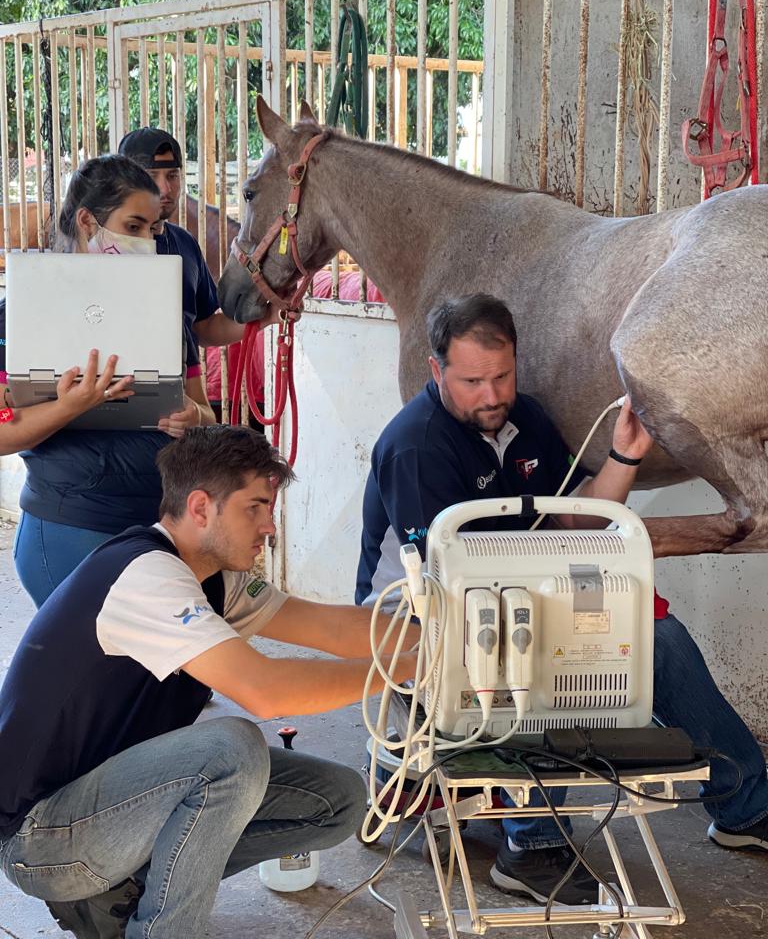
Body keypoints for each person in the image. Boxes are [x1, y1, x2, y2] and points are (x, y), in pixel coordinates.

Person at [357, 293, 768, 904]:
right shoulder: (417, 445)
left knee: (658, 636)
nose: (492, 395)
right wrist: (568, 622)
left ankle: (746, 803)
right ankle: (534, 847)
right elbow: (451, 582)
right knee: (532, 653)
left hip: (529, 583)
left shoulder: (526, 418)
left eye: (502, 376)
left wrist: (626, 454)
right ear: (435, 368)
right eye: (472, 381)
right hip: (422, 611)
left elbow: (579, 523)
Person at [0, 425, 417, 938]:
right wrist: (405, 667)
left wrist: (440, 637)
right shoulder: (146, 576)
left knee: (339, 799)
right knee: (231, 749)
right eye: (255, 508)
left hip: (114, 803)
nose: (270, 527)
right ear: (201, 508)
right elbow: (266, 692)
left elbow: (330, 627)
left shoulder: (217, 578)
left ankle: (123, 893)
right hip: (44, 838)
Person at [2, 155, 217, 608]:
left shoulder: (163, 312)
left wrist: (191, 416)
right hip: (71, 528)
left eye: (154, 231)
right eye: (134, 226)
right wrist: (70, 406)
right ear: (88, 221)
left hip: (160, 528)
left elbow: (207, 416)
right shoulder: (25, 311)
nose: (148, 242)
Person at [117, 127, 245, 376]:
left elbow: (202, 328)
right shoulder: (101, 244)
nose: (165, 189)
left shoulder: (185, 242)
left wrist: (265, 318)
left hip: (177, 390)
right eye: (151, 175)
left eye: (172, 175)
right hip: (107, 390)